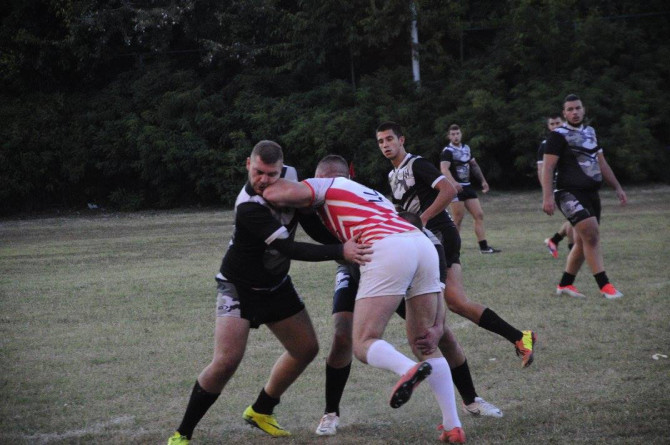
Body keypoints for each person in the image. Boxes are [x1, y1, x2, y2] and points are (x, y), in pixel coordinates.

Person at [166, 141, 372, 444]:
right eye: (258, 172)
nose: (264, 180)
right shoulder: (248, 206)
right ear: (248, 164)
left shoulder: (292, 176)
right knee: (226, 362)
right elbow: (288, 248)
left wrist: (343, 239)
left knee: (305, 349)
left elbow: (307, 219)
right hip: (239, 287)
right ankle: (182, 434)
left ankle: (261, 410)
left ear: (282, 169)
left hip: (275, 285)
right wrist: (340, 250)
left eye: (271, 174)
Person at [263, 157, 467, 443]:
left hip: (387, 247)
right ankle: (453, 426)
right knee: (426, 342)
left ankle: (407, 369)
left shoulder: (324, 185)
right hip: (420, 244)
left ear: (322, 176)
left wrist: (266, 183)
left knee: (362, 342)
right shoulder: (371, 193)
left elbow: (277, 193)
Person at [310, 157, 502, 438]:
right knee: (342, 334)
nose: (325, 186)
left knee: (438, 335)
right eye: (321, 181)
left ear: (348, 180)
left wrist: (438, 318)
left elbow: (432, 251)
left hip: (392, 273)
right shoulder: (315, 205)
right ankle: (331, 413)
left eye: (332, 180)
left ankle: (471, 400)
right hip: (354, 272)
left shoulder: (376, 204)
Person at [377, 121, 535, 368]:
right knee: (457, 302)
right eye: (381, 141)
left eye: (389, 139)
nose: (386, 145)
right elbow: (402, 211)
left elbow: (449, 190)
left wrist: (423, 219)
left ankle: (433, 345)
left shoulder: (417, 164)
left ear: (401, 140)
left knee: (427, 296)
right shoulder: (392, 175)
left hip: (440, 234)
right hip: (427, 239)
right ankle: (519, 337)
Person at [541, 94, 627, 299]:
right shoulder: (558, 135)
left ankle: (565, 284)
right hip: (567, 193)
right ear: (564, 113)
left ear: (583, 109)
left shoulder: (590, 132)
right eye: (570, 109)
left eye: (577, 108)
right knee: (591, 234)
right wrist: (547, 197)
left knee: (583, 241)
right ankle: (604, 285)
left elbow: (602, 163)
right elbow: (548, 167)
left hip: (591, 194)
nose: (575, 112)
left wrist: (617, 187)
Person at [440, 124, 501, 253]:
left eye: (458, 133)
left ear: (461, 134)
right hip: (456, 189)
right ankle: (452, 249)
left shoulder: (466, 148)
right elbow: (444, 169)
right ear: (449, 136)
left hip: (467, 187)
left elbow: (474, 165)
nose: (456, 136)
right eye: (453, 134)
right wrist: (454, 183)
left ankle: (484, 247)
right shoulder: (447, 151)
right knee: (458, 218)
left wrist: (483, 181)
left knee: (479, 215)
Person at [537, 114, 575, 258]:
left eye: (557, 123)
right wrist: (547, 194)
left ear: (563, 123)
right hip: (559, 187)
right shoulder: (545, 145)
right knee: (573, 218)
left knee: (575, 218)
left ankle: (554, 241)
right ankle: (573, 251)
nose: (555, 126)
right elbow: (541, 170)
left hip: (573, 184)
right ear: (548, 126)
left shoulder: (571, 140)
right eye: (552, 124)